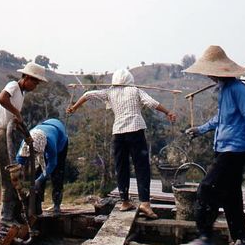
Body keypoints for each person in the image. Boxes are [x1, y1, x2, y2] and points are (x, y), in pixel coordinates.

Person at [178, 45, 245, 245]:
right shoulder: (224, 89)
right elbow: (221, 119)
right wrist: (200, 129)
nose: (209, 76)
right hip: (223, 148)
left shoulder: (238, 90)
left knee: (206, 188)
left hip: (235, 150)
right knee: (231, 197)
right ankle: (243, 241)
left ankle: (204, 237)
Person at [66, 68, 176, 219]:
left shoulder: (109, 92)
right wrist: (167, 112)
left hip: (118, 134)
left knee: (121, 166)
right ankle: (145, 203)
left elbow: (87, 95)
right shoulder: (135, 91)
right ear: (129, 80)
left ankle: (125, 201)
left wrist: (74, 108)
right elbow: (151, 103)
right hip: (136, 131)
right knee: (142, 167)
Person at [0, 62, 47, 228]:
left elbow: (16, 120)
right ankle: (6, 218)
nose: (36, 86)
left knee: (17, 178)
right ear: (27, 78)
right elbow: (1, 99)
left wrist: (26, 135)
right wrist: (17, 113)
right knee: (9, 179)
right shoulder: (13, 85)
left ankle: (15, 215)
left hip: (11, 137)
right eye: (35, 82)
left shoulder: (21, 94)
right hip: (2, 136)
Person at [16, 118, 69, 214]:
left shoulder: (51, 142)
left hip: (59, 138)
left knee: (57, 173)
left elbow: (52, 164)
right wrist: (18, 175)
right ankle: (37, 204)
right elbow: (19, 160)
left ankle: (57, 204)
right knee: (38, 171)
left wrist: (39, 180)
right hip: (43, 130)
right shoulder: (26, 141)